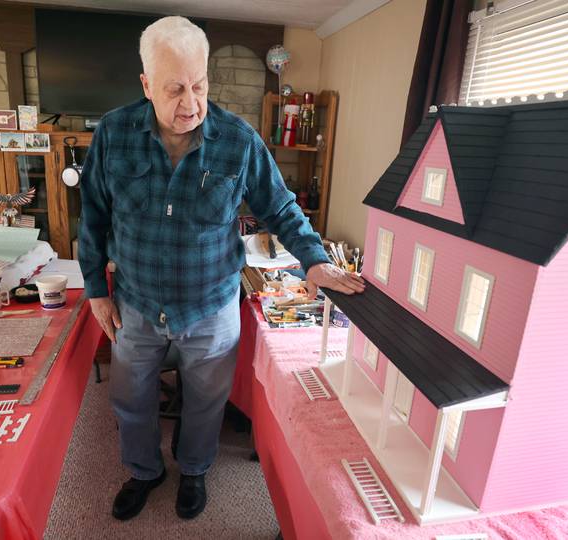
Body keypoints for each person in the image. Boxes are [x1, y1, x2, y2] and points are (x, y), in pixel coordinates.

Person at [78, 16, 365, 522]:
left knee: (207, 404)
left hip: (211, 307)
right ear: (145, 85)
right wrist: (94, 290)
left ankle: (193, 470)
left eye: (199, 86)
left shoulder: (239, 140)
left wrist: (315, 259)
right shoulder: (113, 134)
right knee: (131, 400)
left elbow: (280, 208)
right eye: (174, 90)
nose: (190, 103)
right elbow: (94, 215)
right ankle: (144, 471)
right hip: (136, 305)